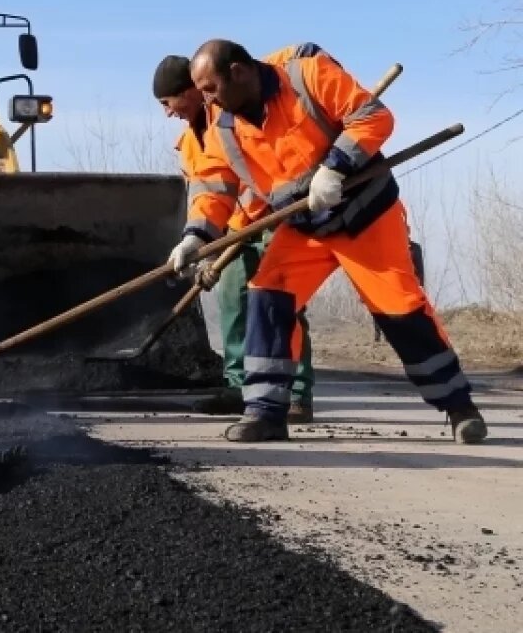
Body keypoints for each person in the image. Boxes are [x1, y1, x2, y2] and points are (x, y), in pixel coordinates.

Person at [170, 39, 487, 444]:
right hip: (306, 227)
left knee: (401, 310)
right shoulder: (222, 126)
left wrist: (335, 167)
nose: (206, 99)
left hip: (366, 217)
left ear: (239, 71)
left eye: (211, 88)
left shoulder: (307, 76)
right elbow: (214, 188)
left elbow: (373, 117)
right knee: (267, 295)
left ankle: (459, 407)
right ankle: (266, 412)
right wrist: (195, 236)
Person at [153, 46, 319, 423]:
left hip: (273, 217)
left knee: (281, 303)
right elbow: (208, 193)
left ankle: (296, 393)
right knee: (232, 302)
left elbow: (300, 54)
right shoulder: (189, 143)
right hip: (232, 228)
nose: (167, 112)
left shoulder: (234, 115)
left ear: (193, 89)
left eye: (169, 101)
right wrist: (201, 243)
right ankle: (237, 385)